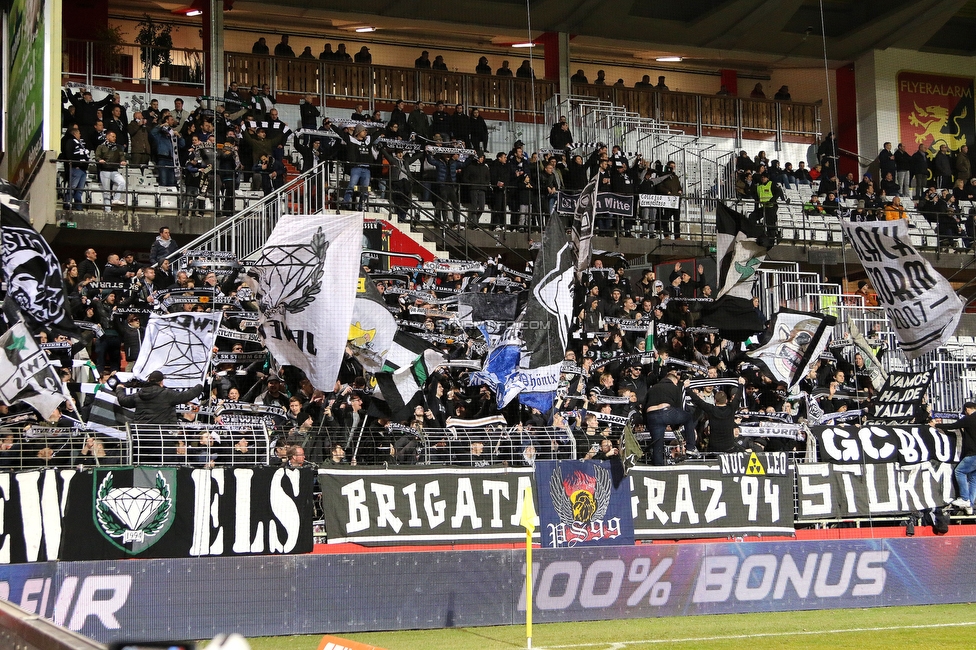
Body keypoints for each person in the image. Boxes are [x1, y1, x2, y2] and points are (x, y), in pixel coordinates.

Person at [645, 370, 697, 465]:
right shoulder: (674, 387)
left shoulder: (652, 388)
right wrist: (676, 425)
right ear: (674, 381)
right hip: (666, 411)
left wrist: (648, 423)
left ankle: (658, 468)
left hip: (651, 415)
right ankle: (690, 447)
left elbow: (645, 406)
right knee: (688, 417)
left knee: (658, 445)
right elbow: (679, 407)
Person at [117, 371, 205, 425]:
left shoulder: (139, 394)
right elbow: (187, 395)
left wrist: (119, 389)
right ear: (161, 382)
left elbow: (123, 401)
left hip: (141, 435)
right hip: (162, 435)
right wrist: (200, 385)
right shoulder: (167, 394)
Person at [939, 403, 976, 514]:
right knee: (973, 478)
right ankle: (970, 504)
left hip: (972, 453)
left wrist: (936, 426)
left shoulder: (969, 419)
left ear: (967, 409)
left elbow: (952, 426)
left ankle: (964, 499)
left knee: (959, 471)